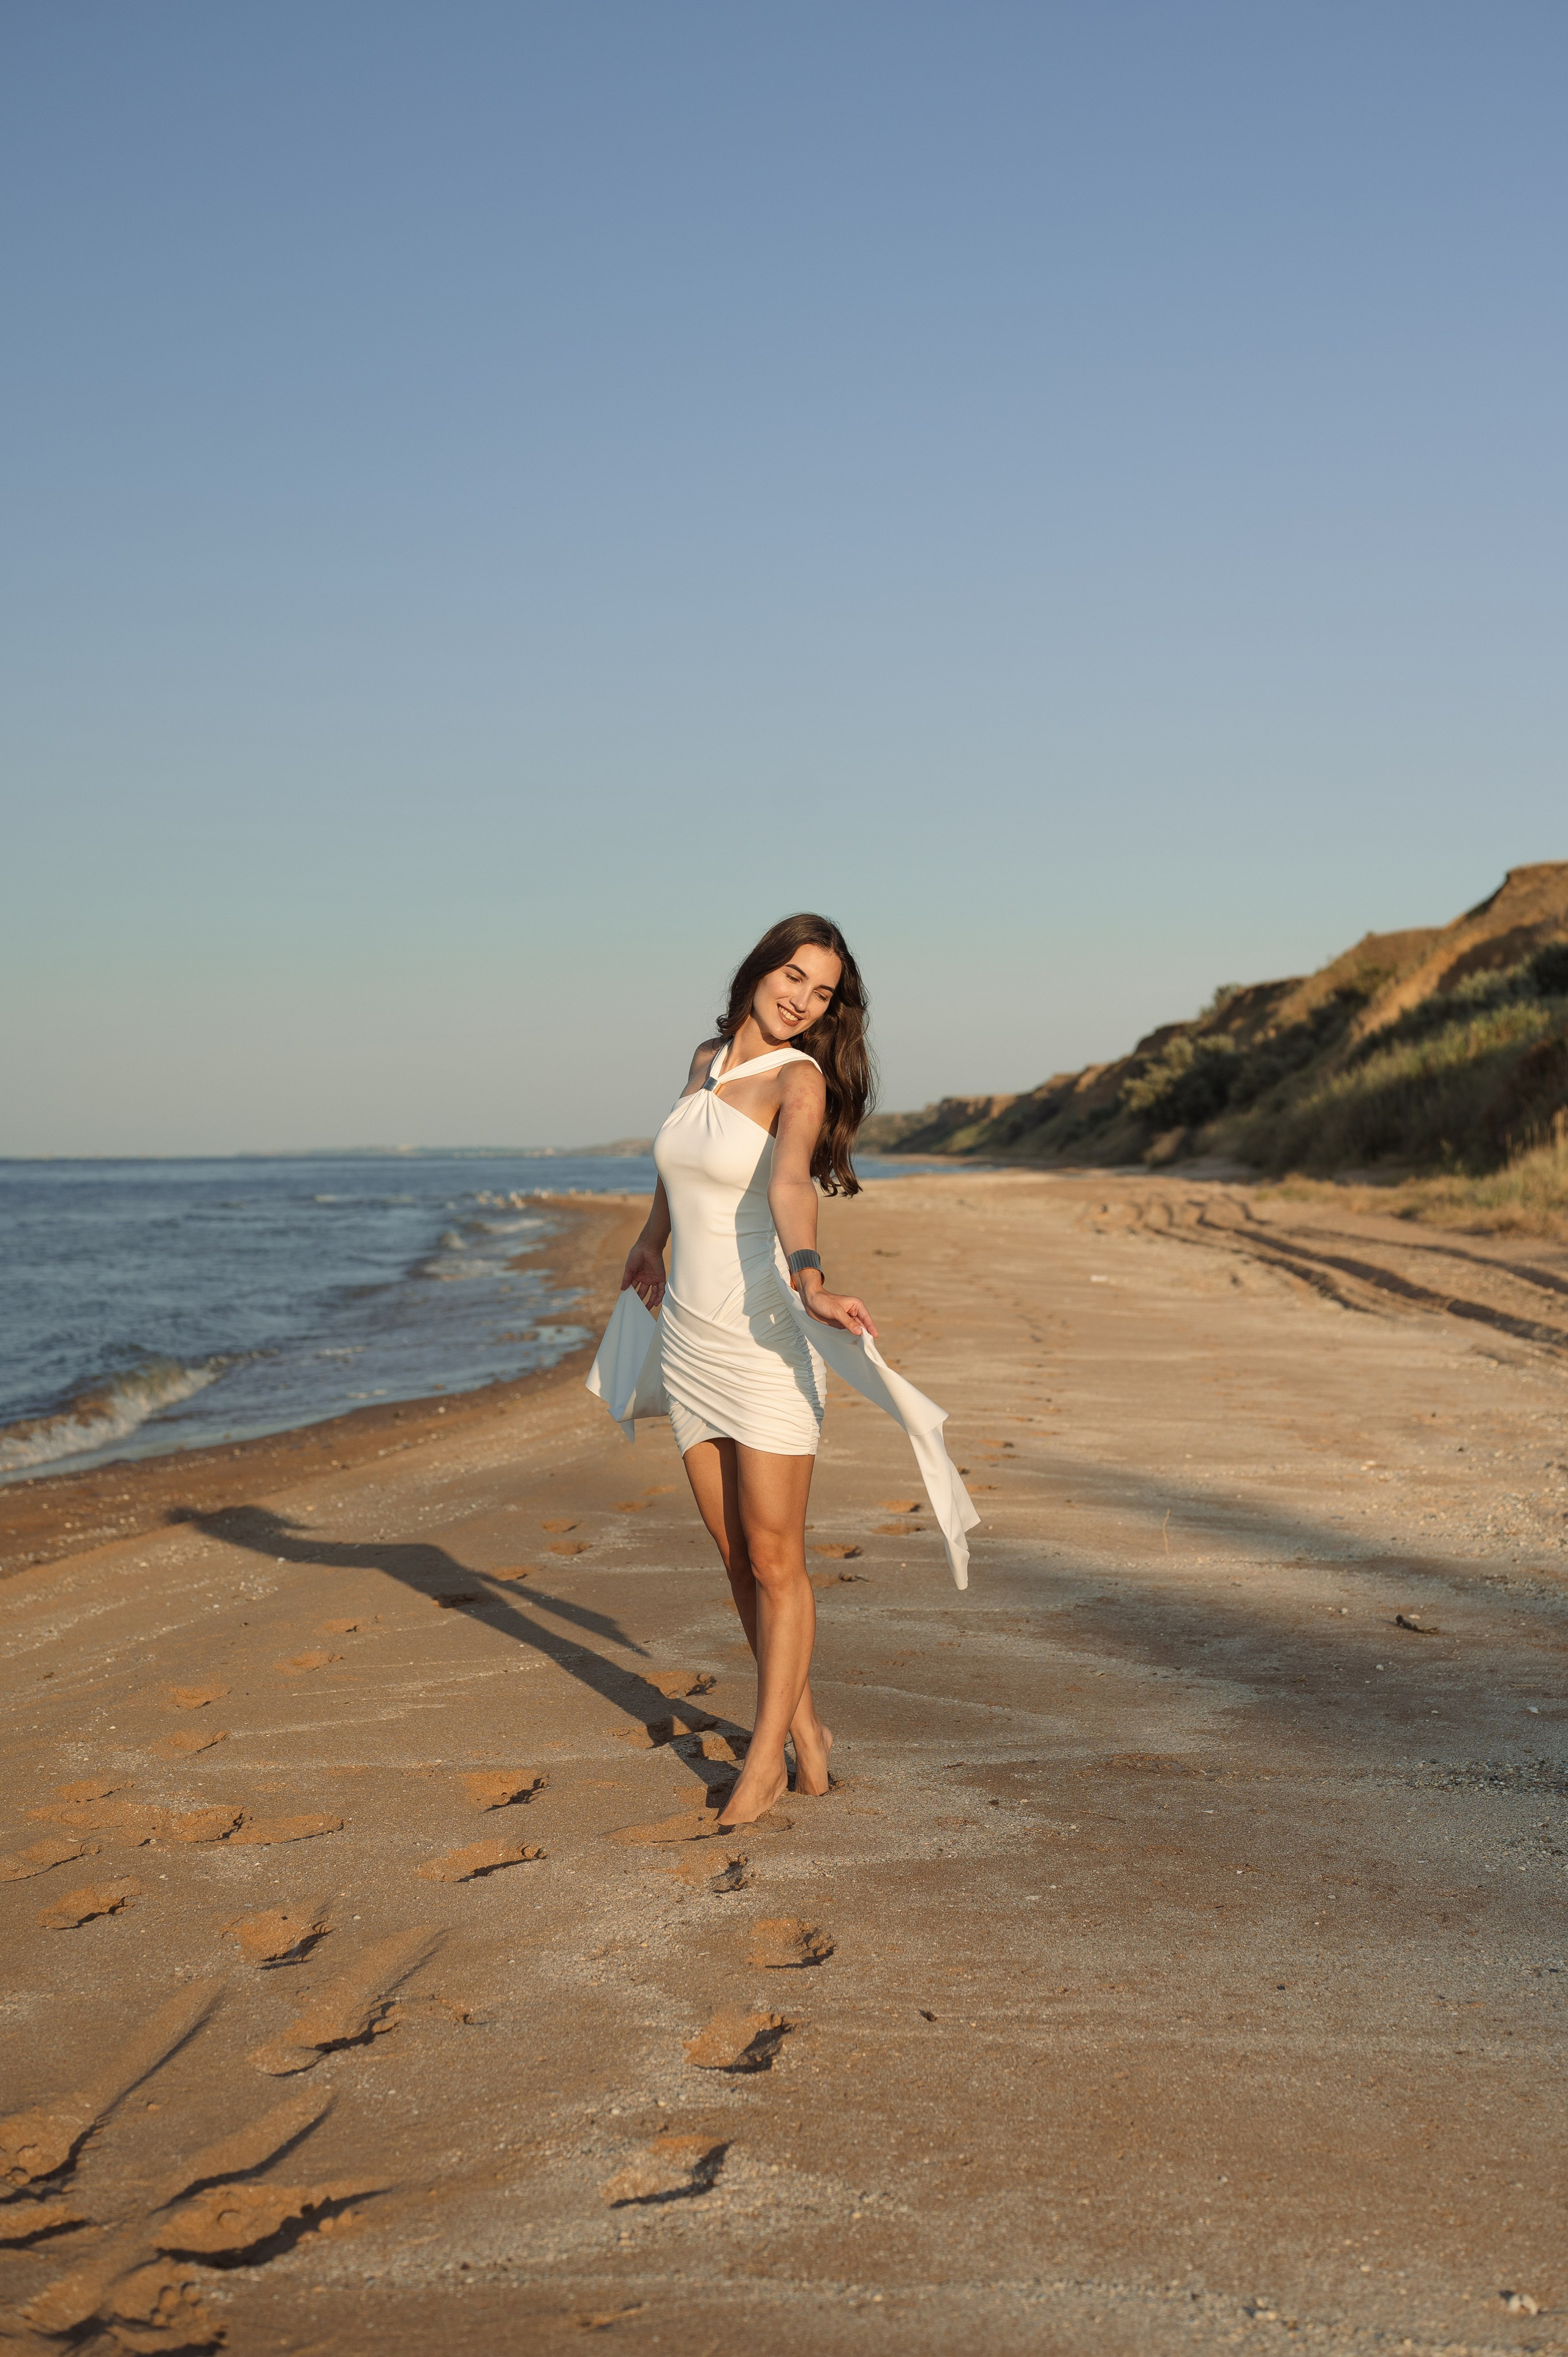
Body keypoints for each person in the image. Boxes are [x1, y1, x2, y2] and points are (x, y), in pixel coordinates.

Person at [587, 912, 977, 1830]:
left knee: (776, 1559)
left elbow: (792, 1183)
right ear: (760, 970)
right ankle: (805, 1732)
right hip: (687, 1334)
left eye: (823, 992)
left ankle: (761, 1762)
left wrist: (812, 1278)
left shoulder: (796, 1079)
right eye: (792, 976)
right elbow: (678, 1165)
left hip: (764, 1338)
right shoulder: (705, 1058)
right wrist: (650, 1242)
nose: (802, 999)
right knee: (733, 1555)